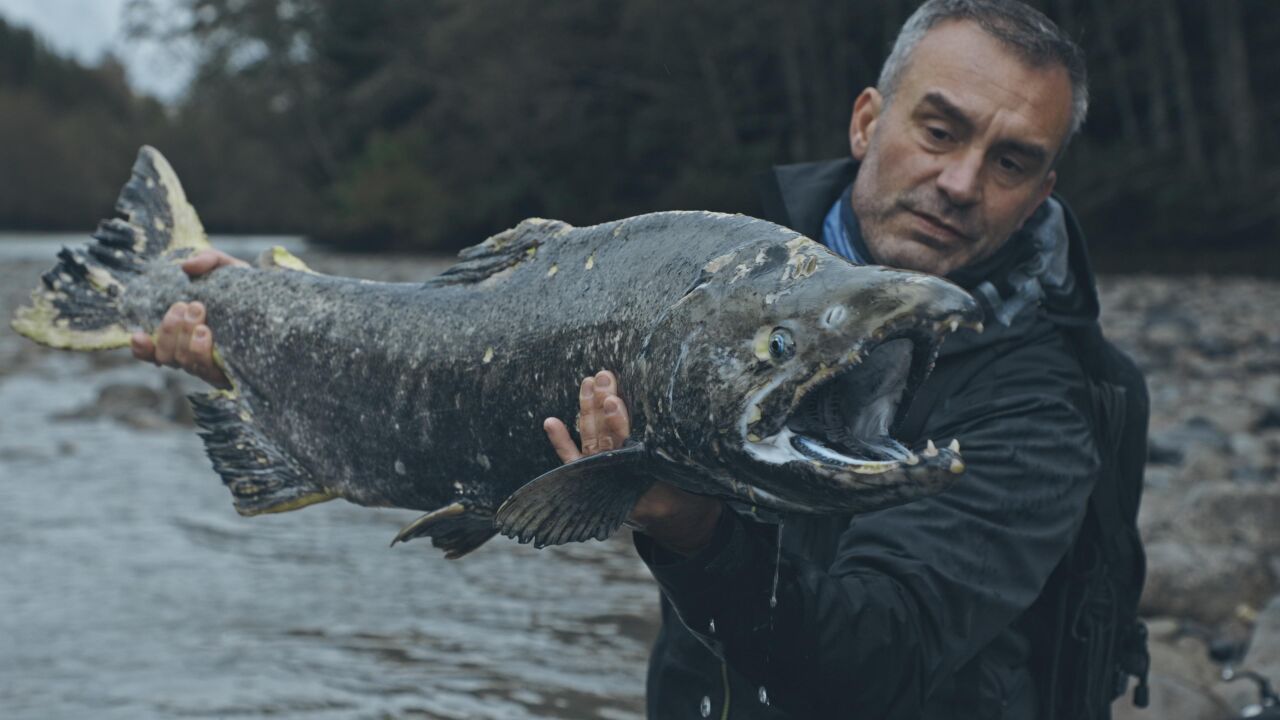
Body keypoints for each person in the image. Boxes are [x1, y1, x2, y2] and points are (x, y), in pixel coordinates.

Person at [136, 1, 1121, 716]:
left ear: (1039, 193)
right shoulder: (713, 260)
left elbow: (871, 667)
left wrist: (690, 527)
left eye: (1008, 161)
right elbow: (435, 348)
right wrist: (255, 344)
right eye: (938, 130)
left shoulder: (1048, 405)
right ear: (868, 120)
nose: (957, 182)